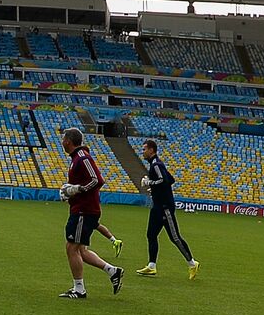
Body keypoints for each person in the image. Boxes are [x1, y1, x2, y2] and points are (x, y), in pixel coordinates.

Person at [57, 128, 123, 299]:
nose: (62, 141)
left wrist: (77, 189)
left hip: (83, 211)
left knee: (72, 248)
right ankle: (113, 271)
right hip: (82, 209)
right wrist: (70, 192)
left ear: (68, 141)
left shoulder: (82, 157)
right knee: (81, 250)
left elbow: (97, 180)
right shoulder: (76, 158)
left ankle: (79, 289)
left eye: (63, 138)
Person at [136, 139, 199, 279]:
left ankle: (192, 263)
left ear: (151, 150)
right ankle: (152, 266)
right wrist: (155, 190)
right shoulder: (155, 164)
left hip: (164, 207)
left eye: (145, 149)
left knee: (175, 237)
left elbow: (164, 180)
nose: (143, 152)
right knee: (151, 235)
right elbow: (171, 180)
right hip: (157, 206)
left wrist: (149, 183)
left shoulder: (156, 164)